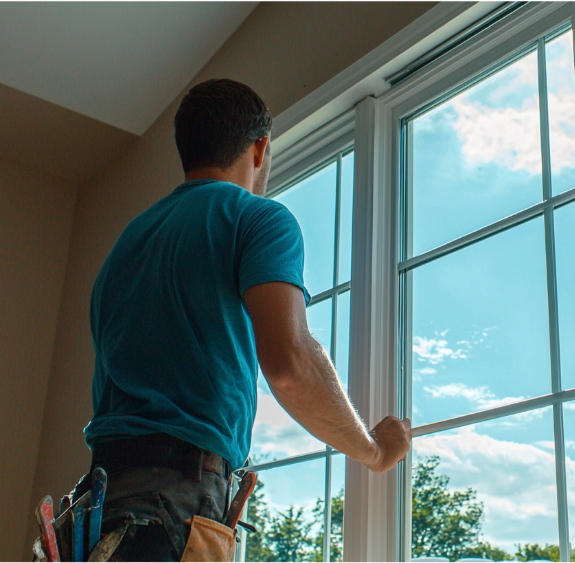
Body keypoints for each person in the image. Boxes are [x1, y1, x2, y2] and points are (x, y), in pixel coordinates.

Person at [69, 78, 411, 561]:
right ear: (260, 147)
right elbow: (292, 363)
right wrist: (375, 451)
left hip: (100, 504)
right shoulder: (260, 219)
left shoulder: (127, 243)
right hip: (174, 505)